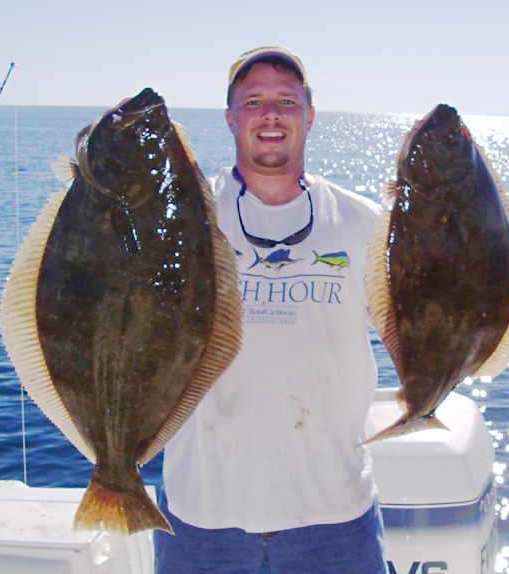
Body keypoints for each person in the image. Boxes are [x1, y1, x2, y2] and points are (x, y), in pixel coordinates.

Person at [155, 46, 389, 574]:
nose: (271, 114)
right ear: (230, 118)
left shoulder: (366, 224)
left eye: (286, 100)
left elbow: (424, 327)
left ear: (309, 114)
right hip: (199, 517)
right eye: (253, 100)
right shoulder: (179, 221)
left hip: (334, 518)